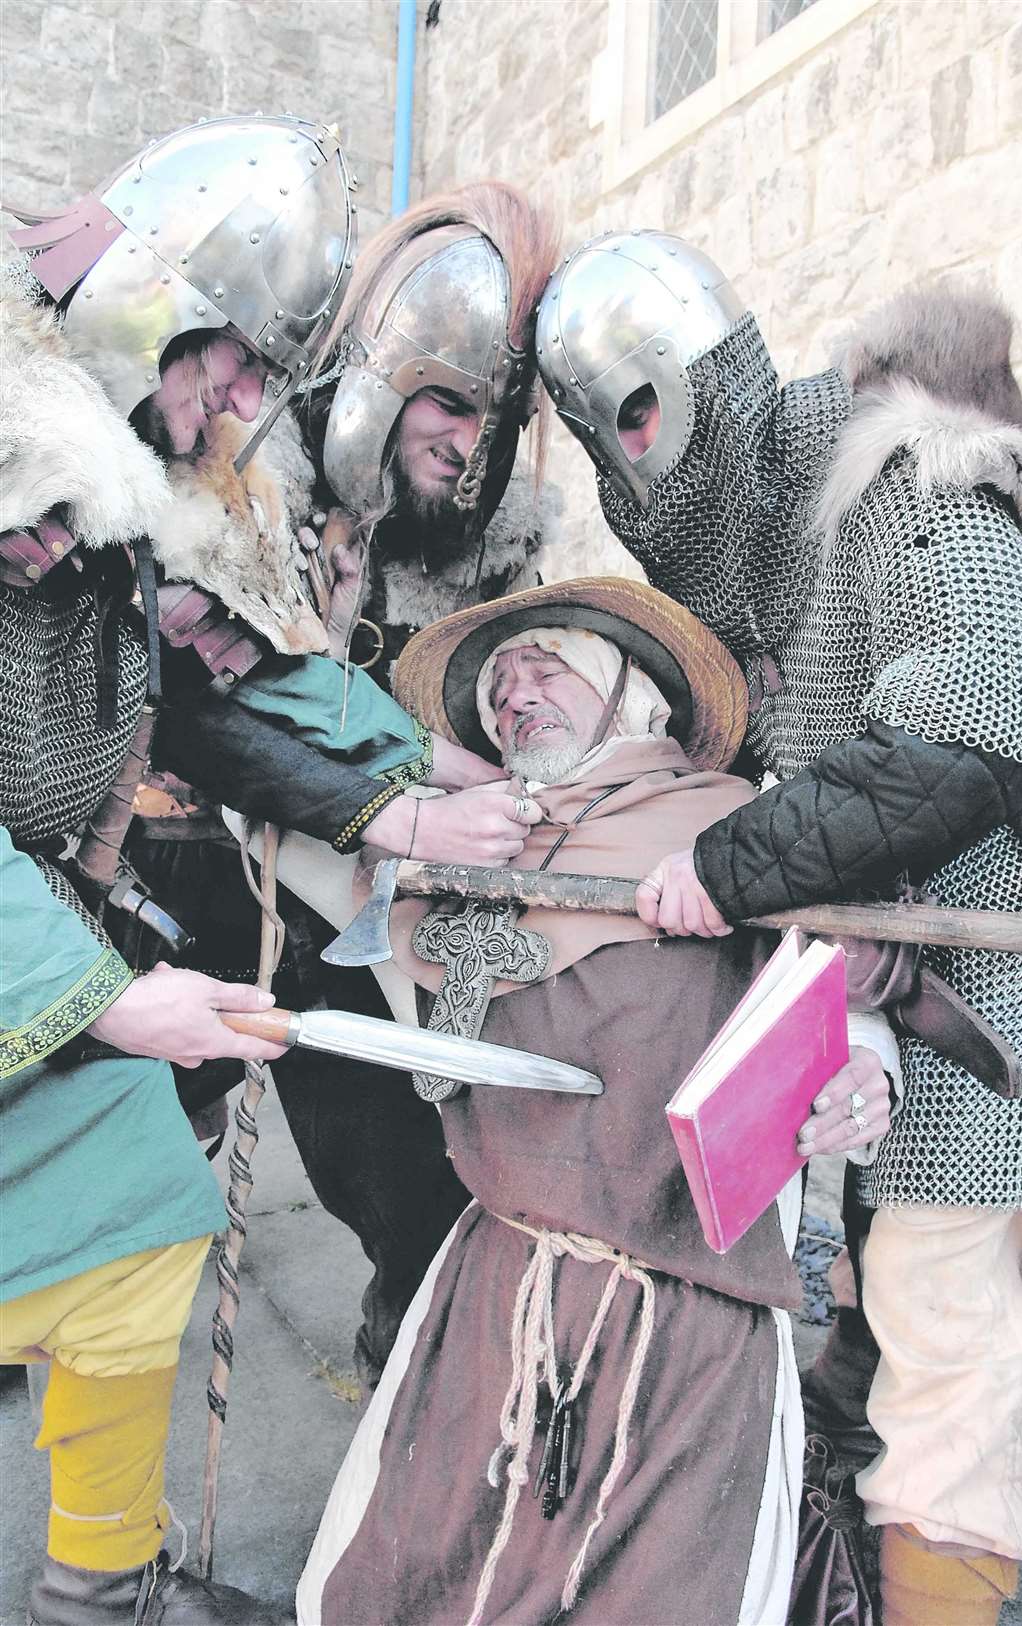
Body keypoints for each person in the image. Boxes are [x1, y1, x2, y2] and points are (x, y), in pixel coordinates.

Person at [0, 114, 512, 1626]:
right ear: (154, 299)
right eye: (225, 361)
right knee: (109, 1185)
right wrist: (105, 999)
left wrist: (417, 791)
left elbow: (229, 695)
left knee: (127, 1200)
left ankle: (100, 1581)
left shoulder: (115, 509)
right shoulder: (19, 469)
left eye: (252, 379)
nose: (236, 404)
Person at [536, 234, 1022, 1626]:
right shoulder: (765, 542)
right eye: (607, 436)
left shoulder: (908, 470)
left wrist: (737, 863)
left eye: (645, 407)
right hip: (899, 988)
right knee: (878, 1325)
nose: (636, 451)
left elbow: (984, 717)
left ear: (712, 376)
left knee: (955, 1351)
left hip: (1009, 988)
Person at [297, 577, 899, 1625]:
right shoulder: (463, 849)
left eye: (545, 660)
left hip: (686, 1312)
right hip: (492, 1282)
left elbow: (851, 986)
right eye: (494, 687)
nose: (510, 692)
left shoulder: (739, 828)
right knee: (421, 1581)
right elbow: (293, 824)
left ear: (638, 693)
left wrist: (864, 1067)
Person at [151, 182, 561, 1384]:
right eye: (448, 397)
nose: (467, 438)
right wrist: (404, 804)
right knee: (114, 1161)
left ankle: (410, 1357)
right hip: (189, 871)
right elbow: (207, 712)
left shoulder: (485, 535)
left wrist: (478, 778)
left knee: (412, 1178)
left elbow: (380, 703)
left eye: (497, 414)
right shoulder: (240, 471)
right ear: (386, 372)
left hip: (367, 922)